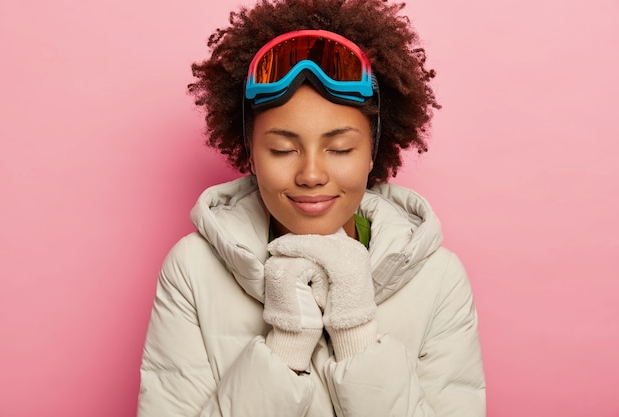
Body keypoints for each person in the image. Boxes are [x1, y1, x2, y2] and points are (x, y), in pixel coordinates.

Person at [137, 0, 485, 416]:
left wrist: (355, 329)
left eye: (339, 148)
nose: (311, 173)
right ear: (251, 153)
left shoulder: (439, 277)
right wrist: (286, 344)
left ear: (372, 153)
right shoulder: (192, 270)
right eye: (283, 149)